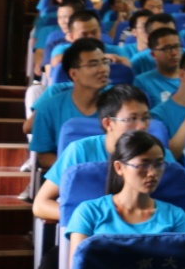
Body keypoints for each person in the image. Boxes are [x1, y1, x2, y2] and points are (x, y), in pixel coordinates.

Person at [33, 85, 162, 224]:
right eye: (132, 119)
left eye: (145, 118)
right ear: (108, 123)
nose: (142, 126)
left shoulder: (158, 154)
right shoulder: (80, 151)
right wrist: (88, 219)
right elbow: (40, 205)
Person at [65, 131, 185, 259]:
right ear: (119, 168)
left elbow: (184, 265)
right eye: (143, 165)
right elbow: (78, 267)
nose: (152, 173)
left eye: (159, 164)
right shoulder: (89, 212)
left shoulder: (175, 217)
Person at [29, 38, 112, 169]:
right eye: (93, 64)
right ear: (74, 74)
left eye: (105, 62)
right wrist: (77, 168)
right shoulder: (49, 108)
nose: (103, 69)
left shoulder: (120, 102)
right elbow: (43, 157)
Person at [133, 27, 182, 108]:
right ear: (153, 55)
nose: (174, 53)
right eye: (166, 48)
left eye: (176, 47)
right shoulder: (142, 82)